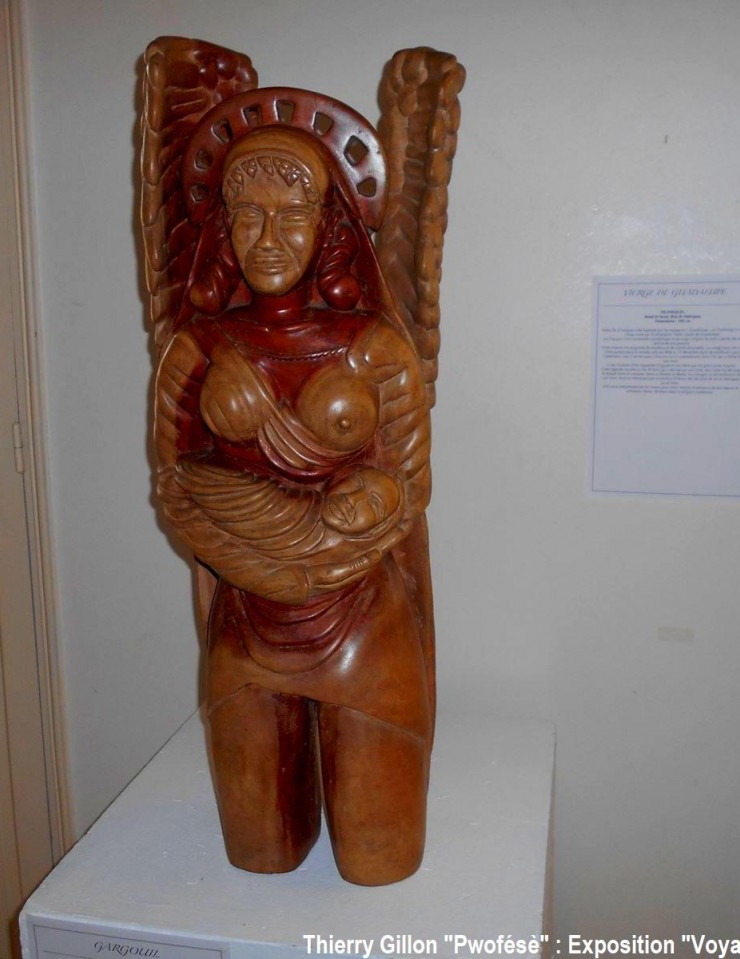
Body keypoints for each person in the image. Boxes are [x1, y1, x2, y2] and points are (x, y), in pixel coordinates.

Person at [154, 123, 433, 885]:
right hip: (247, 627)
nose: (268, 238)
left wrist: (349, 521)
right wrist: (276, 564)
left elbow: (409, 484)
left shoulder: (376, 346)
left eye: (292, 215)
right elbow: (176, 484)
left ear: (330, 225)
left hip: (362, 624)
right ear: (224, 228)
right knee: (260, 856)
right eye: (248, 215)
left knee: (378, 862)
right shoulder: (198, 349)